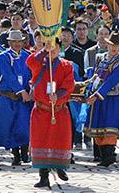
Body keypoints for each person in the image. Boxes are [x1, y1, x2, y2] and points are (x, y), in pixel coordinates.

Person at [27, 38, 75, 189]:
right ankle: (43, 176)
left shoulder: (66, 65)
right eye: (49, 47)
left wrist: (59, 95)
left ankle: (60, 167)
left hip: (59, 111)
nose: (52, 50)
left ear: (60, 48)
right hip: (41, 110)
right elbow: (30, 62)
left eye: (55, 47)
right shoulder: (39, 62)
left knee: (60, 140)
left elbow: (69, 84)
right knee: (41, 142)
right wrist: (43, 51)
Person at [84, 32, 119, 167]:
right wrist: (88, 89)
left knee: (110, 125)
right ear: (107, 44)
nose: (114, 48)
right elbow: (94, 75)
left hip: (113, 98)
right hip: (97, 96)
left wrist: (96, 95)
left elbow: (111, 81)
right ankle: (102, 155)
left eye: (117, 45)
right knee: (99, 125)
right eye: (111, 45)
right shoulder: (100, 58)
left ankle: (109, 156)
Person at [0, 30, 32, 165]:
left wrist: (30, 91)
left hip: (25, 97)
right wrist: (20, 91)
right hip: (10, 96)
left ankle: (25, 152)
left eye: (19, 41)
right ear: (9, 42)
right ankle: (16, 154)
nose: (17, 44)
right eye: (14, 41)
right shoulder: (4, 56)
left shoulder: (28, 56)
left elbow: (32, 75)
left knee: (24, 124)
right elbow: (8, 75)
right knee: (11, 124)